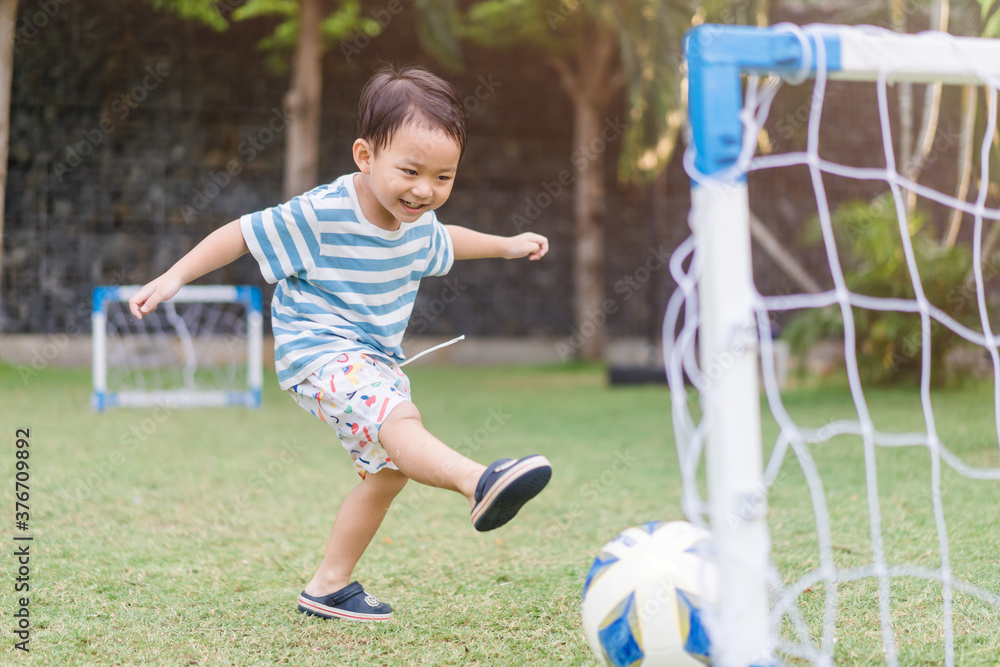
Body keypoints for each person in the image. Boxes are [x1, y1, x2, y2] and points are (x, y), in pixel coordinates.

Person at [128, 64, 552, 623]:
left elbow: (448, 240)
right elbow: (241, 233)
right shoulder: (323, 214)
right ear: (364, 156)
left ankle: (329, 586)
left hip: (371, 358)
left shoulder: (418, 221)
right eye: (411, 170)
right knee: (400, 420)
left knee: (389, 472)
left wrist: (507, 244)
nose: (425, 190)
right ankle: (479, 482)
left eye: (444, 177)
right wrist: (176, 276)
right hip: (318, 351)